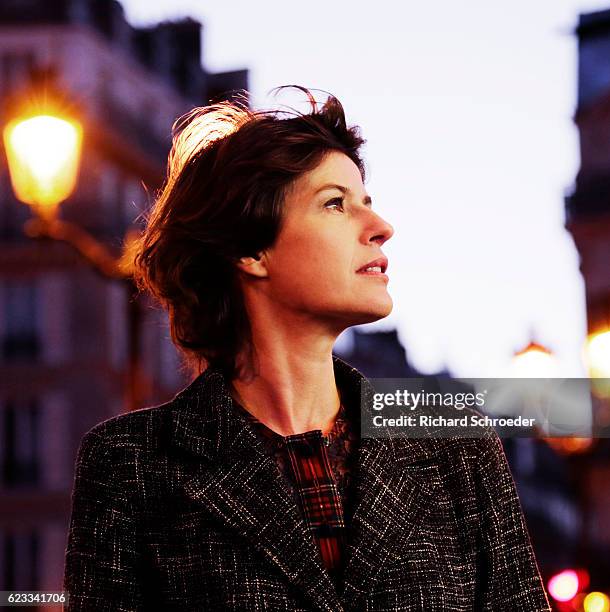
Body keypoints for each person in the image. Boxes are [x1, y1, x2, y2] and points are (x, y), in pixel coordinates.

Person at [63, 86, 551, 611]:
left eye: (368, 201)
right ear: (249, 249)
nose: (381, 228)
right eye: (336, 204)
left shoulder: (453, 437)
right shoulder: (130, 464)